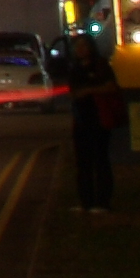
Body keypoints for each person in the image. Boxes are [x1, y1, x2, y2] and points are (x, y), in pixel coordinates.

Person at [60, 32, 120, 211]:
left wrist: (89, 90)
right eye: (77, 46)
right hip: (81, 120)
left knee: (100, 160)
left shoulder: (101, 66)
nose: (80, 49)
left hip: (99, 119)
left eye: (84, 46)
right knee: (83, 163)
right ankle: (86, 201)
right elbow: (73, 93)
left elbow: (110, 87)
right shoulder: (75, 69)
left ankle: (103, 202)